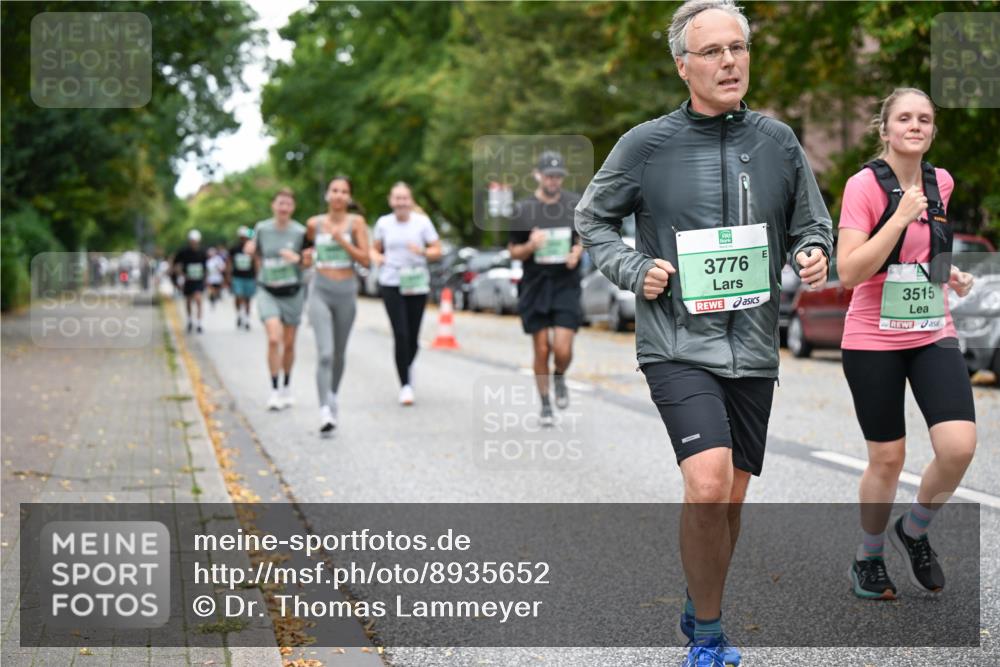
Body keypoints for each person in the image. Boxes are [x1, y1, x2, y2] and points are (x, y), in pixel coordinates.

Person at [575, 2, 833, 665]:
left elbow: (812, 222)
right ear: (683, 65)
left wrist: (810, 251)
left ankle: (701, 593)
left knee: (734, 491)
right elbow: (593, 219)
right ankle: (710, 636)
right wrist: (634, 268)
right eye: (712, 51)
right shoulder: (646, 144)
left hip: (752, 344)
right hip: (676, 343)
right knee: (710, 483)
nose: (728, 61)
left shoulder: (777, 142)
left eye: (738, 47)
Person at [835, 88, 977, 601]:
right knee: (888, 459)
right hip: (873, 336)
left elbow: (926, 254)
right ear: (886, 129)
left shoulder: (942, 182)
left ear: (932, 130)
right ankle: (868, 556)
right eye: (904, 118)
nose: (915, 126)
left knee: (959, 447)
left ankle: (913, 530)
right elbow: (849, 270)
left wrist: (950, 274)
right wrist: (897, 215)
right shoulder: (864, 186)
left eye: (924, 119)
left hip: (931, 330)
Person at [507, 151, 584, 427]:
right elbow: (513, 251)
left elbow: (584, 238)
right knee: (542, 349)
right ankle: (545, 404)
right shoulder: (523, 209)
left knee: (562, 349)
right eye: (549, 175)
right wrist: (530, 246)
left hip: (565, 284)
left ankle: (560, 375)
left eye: (558, 176)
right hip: (535, 286)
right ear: (538, 176)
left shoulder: (574, 205)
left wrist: (578, 252)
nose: (553, 180)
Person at [303, 177, 370, 433]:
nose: (339, 195)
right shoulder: (314, 224)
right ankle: (324, 411)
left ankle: (332, 394)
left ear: (349, 197)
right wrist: (305, 259)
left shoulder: (357, 223)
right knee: (325, 353)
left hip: (346, 291)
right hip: (320, 289)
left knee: (340, 354)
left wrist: (342, 241)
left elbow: (366, 260)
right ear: (327, 195)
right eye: (335, 190)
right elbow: (306, 256)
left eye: (344, 191)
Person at [372, 182, 442, 406]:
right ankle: (405, 384)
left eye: (405, 198)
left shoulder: (422, 223)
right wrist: (378, 258)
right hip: (392, 282)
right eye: (397, 198)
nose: (401, 202)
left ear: (411, 201)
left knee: (413, 336)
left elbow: (437, 250)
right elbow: (374, 248)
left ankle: (407, 366)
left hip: (416, 282)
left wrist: (422, 251)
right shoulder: (383, 223)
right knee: (400, 333)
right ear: (391, 200)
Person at [248, 188, 309, 411]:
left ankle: (286, 385)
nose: (283, 208)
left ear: (292, 208)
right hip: (268, 290)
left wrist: (297, 259)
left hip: (292, 292)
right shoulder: (262, 229)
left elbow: (308, 261)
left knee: (289, 343)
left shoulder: (300, 232)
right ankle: (273, 390)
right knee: (274, 338)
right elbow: (256, 253)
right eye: (280, 203)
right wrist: (251, 254)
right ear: (273, 205)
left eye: (288, 204)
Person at [173, 229, 209, 333]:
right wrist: (181, 276)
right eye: (192, 241)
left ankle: (199, 323)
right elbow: (176, 265)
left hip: (198, 280)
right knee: (188, 301)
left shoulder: (203, 252)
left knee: (198, 299)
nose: (194, 243)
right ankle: (189, 320)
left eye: (196, 241)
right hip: (188, 280)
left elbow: (206, 267)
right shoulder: (183, 252)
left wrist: (206, 279)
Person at [228, 226, 257, 330]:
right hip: (237, 276)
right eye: (242, 237)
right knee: (238, 296)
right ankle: (239, 314)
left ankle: (247, 319)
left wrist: (257, 276)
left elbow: (256, 262)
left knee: (248, 299)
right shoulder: (234, 249)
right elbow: (230, 262)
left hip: (249, 276)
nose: (244, 239)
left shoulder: (253, 248)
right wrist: (228, 276)